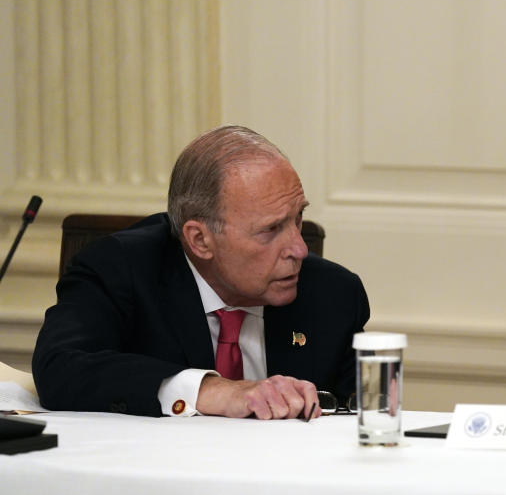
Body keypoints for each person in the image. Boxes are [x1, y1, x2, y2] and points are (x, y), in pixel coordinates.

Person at [33, 125, 370, 419]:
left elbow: (356, 420)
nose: (298, 249)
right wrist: (215, 392)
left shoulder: (334, 295)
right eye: (270, 230)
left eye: (297, 218)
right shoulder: (122, 269)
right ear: (200, 240)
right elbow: (60, 369)